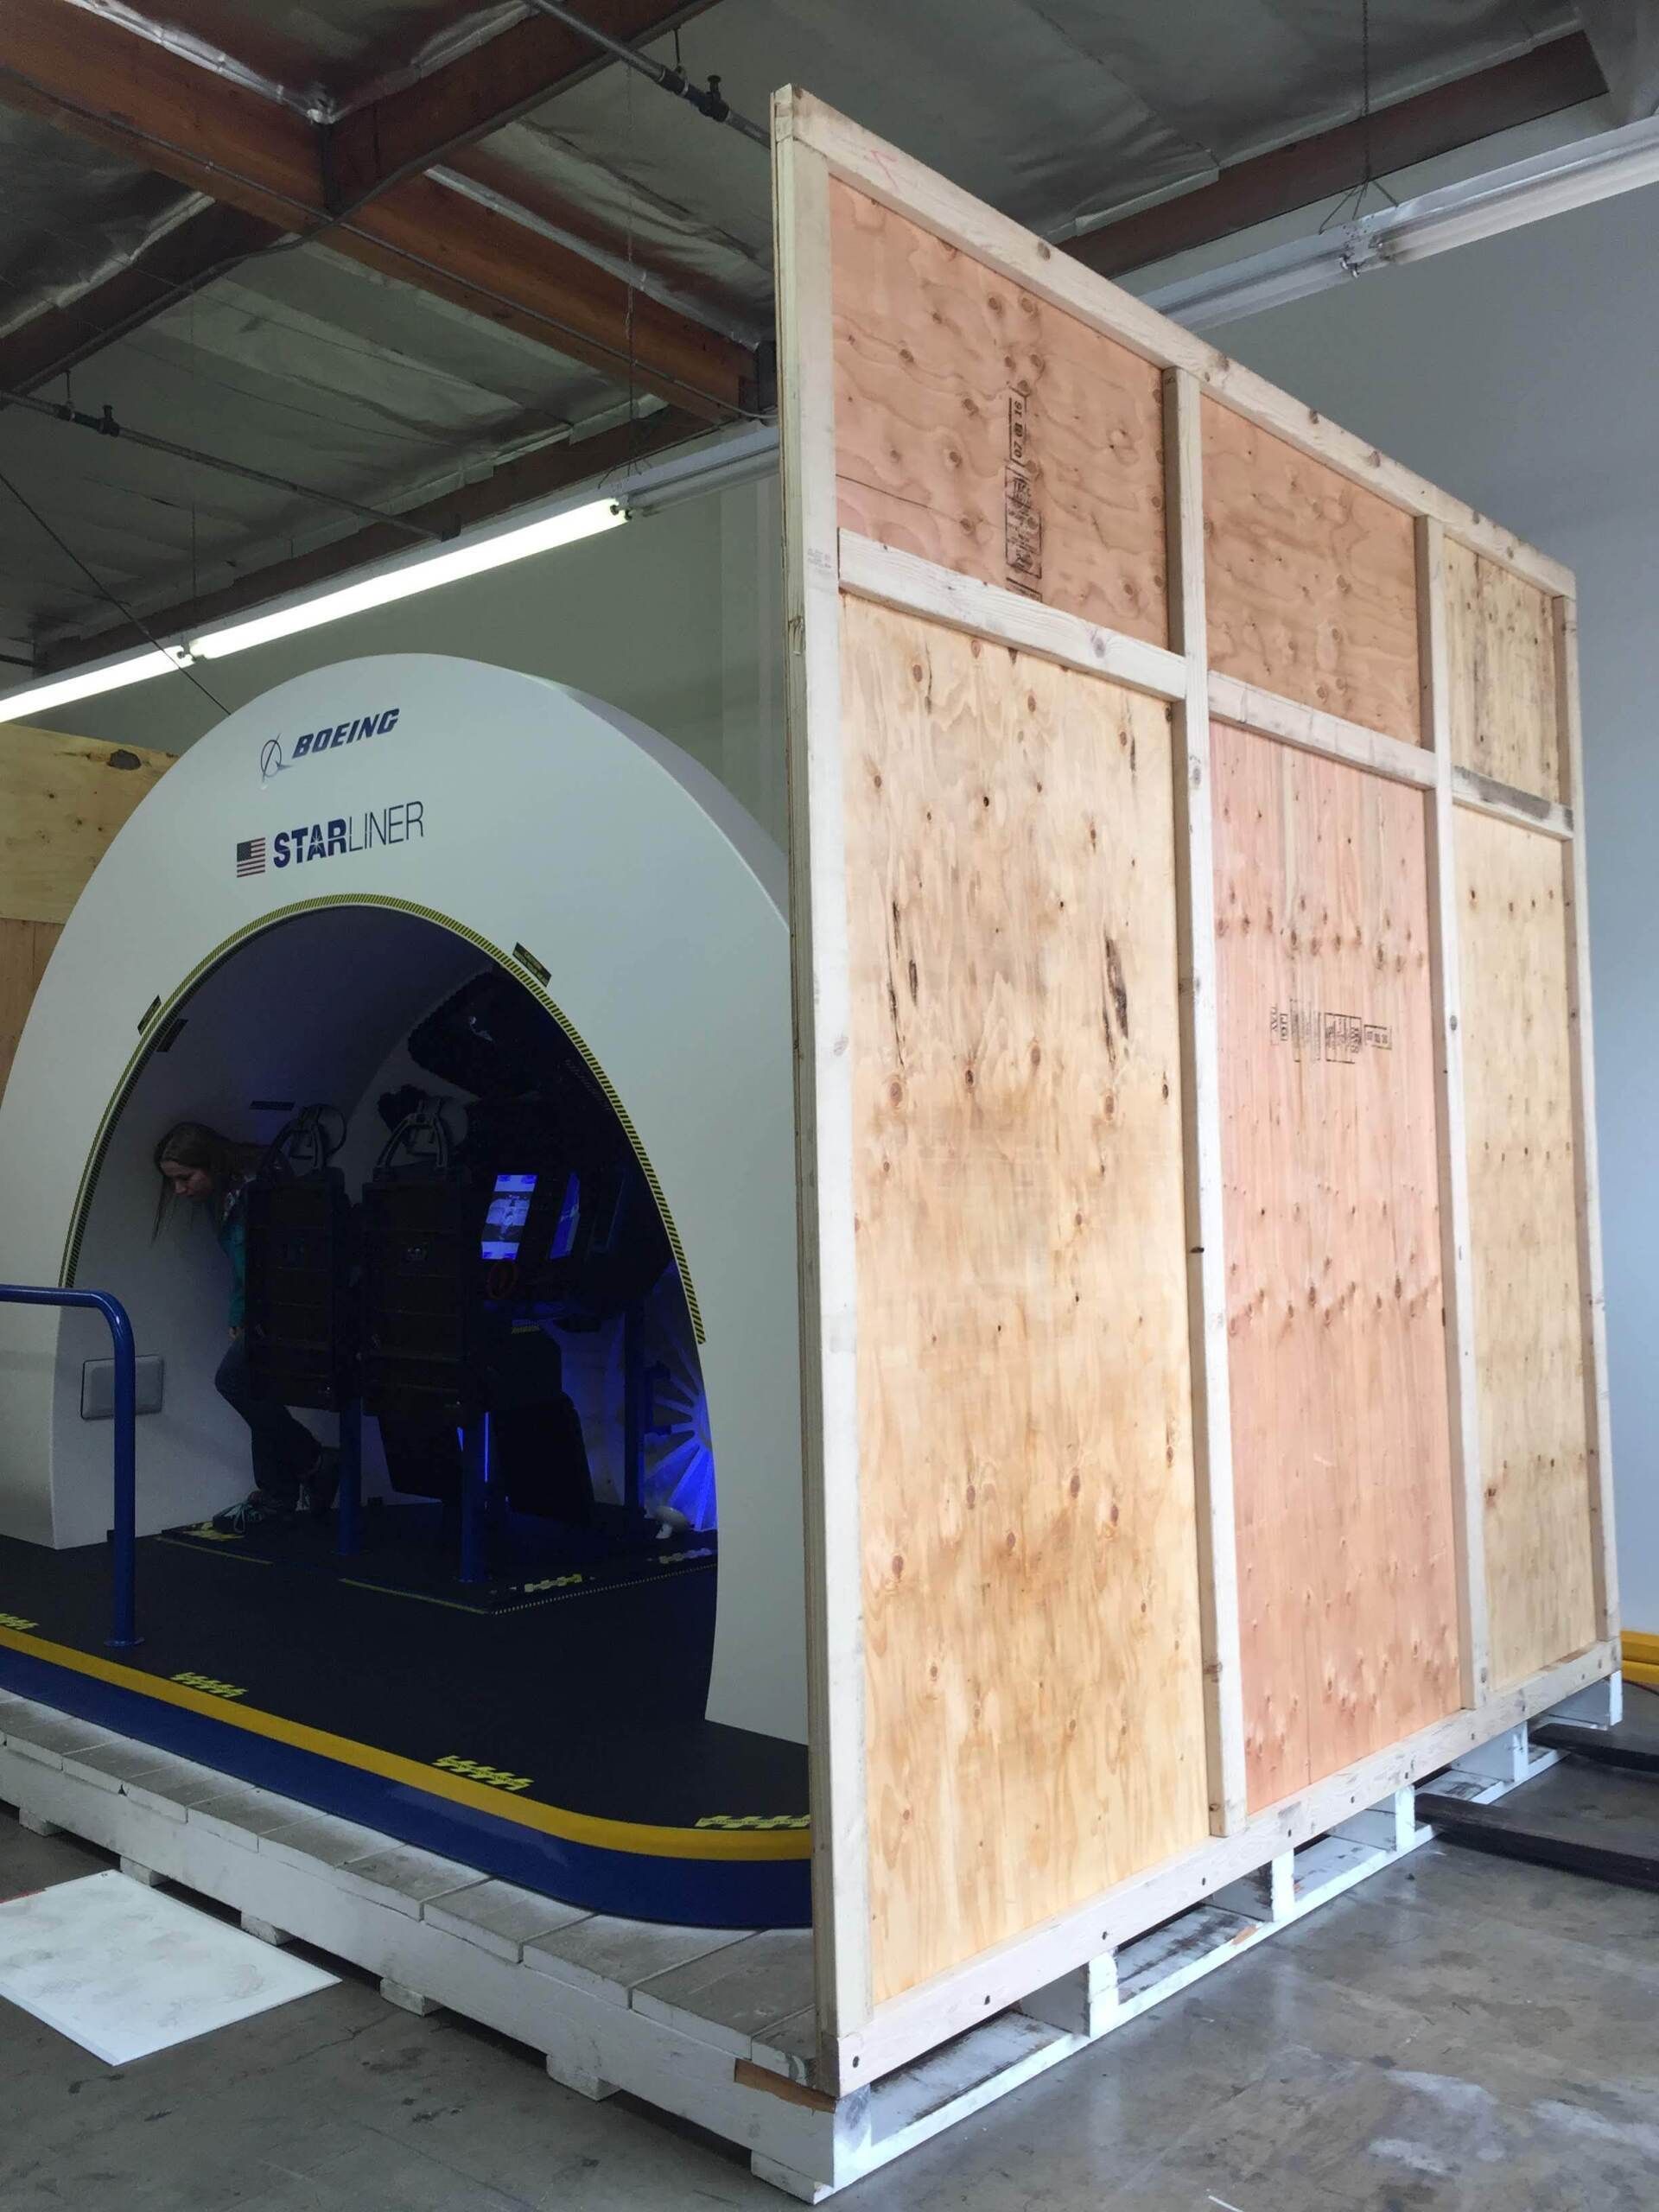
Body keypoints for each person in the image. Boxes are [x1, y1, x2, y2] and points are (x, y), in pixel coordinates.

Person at [153, 1120, 338, 1531]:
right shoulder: (240, 1188)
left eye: (185, 1178)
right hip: (282, 1304)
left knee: (234, 1381)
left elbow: (250, 1265)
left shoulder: (248, 1195)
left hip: (284, 1307)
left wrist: (242, 1316)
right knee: (256, 1385)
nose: (180, 1190)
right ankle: (279, 1493)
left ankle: (311, 1461)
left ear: (211, 1166)